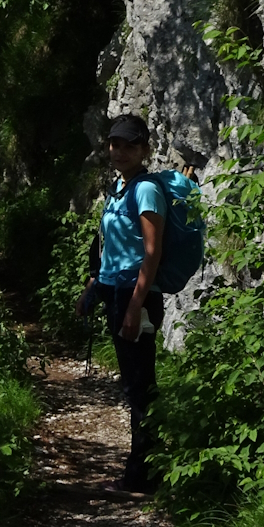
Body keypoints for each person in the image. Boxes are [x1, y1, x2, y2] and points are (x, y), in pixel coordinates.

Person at [77, 113, 166, 494]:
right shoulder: (119, 187)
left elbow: (152, 252)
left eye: (130, 144)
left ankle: (144, 478)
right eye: (115, 143)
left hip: (136, 297)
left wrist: (134, 306)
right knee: (133, 384)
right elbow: (111, 248)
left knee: (139, 387)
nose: (121, 151)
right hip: (115, 292)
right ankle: (144, 471)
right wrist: (92, 288)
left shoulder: (145, 190)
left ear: (144, 149)